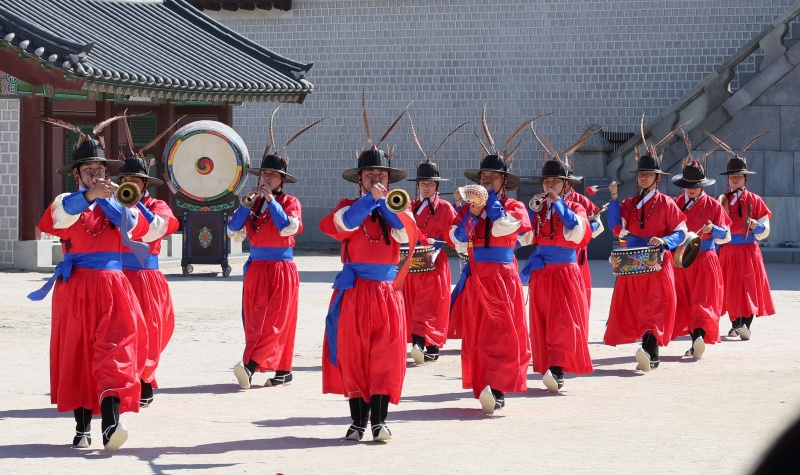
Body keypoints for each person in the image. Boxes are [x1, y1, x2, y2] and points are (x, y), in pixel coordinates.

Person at [28, 116, 150, 451]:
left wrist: (112, 202)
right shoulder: (67, 201)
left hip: (113, 286)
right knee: (79, 355)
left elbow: (141, 227)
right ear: (78, 174)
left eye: (101, 170)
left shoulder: (119, 203)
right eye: (89, 170)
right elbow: (57, 218)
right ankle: (82, 428)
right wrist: (90, 196)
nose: (97, 175)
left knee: (116, 351)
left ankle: (111, 426)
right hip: (76, 288)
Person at [320, 99, 413, 442]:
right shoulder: (347, 207)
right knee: (355, 355)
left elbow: (405, 236)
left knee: (385, 357)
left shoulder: (400, 208)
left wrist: (385, 206)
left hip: (386, 292)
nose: (377, 179)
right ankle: (357, 422)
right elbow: (342, 225)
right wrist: (368, 201)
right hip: (354, 289)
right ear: (359, 179)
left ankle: (380, 422)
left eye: (382, 175)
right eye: (371, 175)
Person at [446, 106, 536, 414]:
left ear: (503, 181)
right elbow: (456, 238)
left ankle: (498, 387)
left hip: (501, 274)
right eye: (483, 176)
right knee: (478, 332)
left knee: (502, 331)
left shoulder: (514, 206)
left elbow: (507, 228)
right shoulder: (470, 208)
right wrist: (472, 213)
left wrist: (490, 205)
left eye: (492, 177)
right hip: (475, 275)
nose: (485, 181)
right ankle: (484, 384)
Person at [229, 111, 323, 389]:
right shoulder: (253, 202)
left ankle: (250, 365)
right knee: (255, 319)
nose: (267, 178)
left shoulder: (291, 202)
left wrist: (271, 201)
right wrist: (246, 204)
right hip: (256, 266)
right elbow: (234, 231)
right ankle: (283, 371)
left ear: (282, 180)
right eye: (265, 173)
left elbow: (287, 227)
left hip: (281, 268)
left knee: (278, 318)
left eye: (273, 175)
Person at [605, 124, 687, 372]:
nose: (642, 177)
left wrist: (665, 241)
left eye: (647, 174)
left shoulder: (667, 204)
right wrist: (613, 199)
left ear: (657, 178)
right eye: (640, 174)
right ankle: (648, 352)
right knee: (637, 308)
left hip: (657, 263)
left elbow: (682, 231)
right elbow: (614, 227)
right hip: (632, 264)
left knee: (653, 308)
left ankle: (651, 354)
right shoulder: (629, 204)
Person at [117, 118, 181, 407]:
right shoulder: (113, 204)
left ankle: (145, 377)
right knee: (120, 331)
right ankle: (128, 381)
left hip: (146, 276)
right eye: (125, 180)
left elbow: (160, 227)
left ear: (144, 184)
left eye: (135, 181)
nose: (128, 184)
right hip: (119, 276)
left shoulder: (157, 205)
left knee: (153, 331)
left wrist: (135, 205)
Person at [519, 150, 591, 393]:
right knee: (542, 322)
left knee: (563, 323)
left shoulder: (576, 206)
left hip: (564, 273)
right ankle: (549, 366)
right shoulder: (538, 209)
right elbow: (523, 235)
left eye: (555, 182)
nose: (549, 185)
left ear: (565, 184)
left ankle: (558, 370)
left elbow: (576, 228)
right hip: (541, 273)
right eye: (546, 181)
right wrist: (533, 208)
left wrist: (558, 203)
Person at [705, 131, 775, 340]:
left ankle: (747, 324)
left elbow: (765, 229)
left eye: (739, 176)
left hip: (749, 250)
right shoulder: (721, 200)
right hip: (727, 250)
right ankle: (735, 324)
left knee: (749, 286)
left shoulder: (755, 199)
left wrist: (754, 225)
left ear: (745, 178)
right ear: (729, 180)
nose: (735, 179)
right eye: (732, 177)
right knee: (730, 288)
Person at [403, 118, 463, 364]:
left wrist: (435, 241)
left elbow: (454, 235)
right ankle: (418, 342)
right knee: (414, 302)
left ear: (437, 185)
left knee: (432, 304)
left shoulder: (446, 208)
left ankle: (431, 345)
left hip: (435, 262)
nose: (425, 187)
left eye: (429, 183)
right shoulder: (410, 206)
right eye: (422, 184)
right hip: (413, 263)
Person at [669, 137, 730, 358]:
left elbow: (726, 235)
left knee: (703, 301)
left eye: (695, 186)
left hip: (705, 258)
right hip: (681, 261)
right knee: (685, 301)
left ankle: (698, 339)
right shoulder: (675, 204)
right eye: (688, 186)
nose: (691, 190)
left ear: (702, 186)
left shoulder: (713, 205)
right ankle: (696, 339)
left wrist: (713, 228)